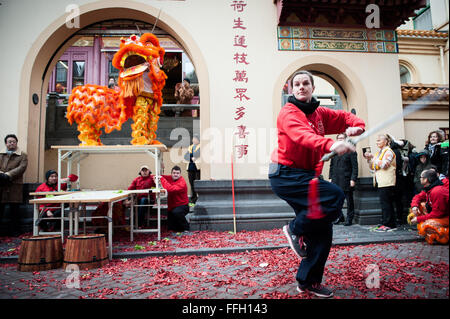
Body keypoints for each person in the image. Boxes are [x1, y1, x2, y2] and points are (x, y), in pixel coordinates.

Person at [269, 70, 365, 298]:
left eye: (306, 83)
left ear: (313, 88)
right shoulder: (288, 112)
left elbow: (344, 118)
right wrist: (331, 145)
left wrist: (356, 126)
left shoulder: (320, 113)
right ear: (292, 90)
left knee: (323, 230)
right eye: (297, 84)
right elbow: (302, 135)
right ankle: (294, 228)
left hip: (308, 177)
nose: (301, 87)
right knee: (334, 195)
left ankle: (307, 281)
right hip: (286, 175)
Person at [363, 134, 397, 232]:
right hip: (381, 181)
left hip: (387, 181)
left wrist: (373, 157)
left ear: (386, 141)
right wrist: (369, 159)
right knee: (384, 203)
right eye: (376, 140)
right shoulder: (379, 152)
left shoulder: (389, 151)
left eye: (379, 140)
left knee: (387, 203)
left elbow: (384, 165)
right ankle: (385, 222)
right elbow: (372, 167)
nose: (377, 142)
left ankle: (389, 224)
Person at [0, 134, 28, 236]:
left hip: (14, 185)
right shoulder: (1, 154)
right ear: (6, 143)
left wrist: (8, 174)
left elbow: (22, 167)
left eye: (13, 141)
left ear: (16, 142)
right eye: (9, 142)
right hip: (1, 184)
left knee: (15, 210)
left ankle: (15, 231)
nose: (12, 143)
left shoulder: (23, 155)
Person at [329, 133, 358, 226]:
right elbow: (331, 166)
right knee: (336, 200)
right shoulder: (334, 152)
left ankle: (349, 218)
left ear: (345, 140)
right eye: (338, 138)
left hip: (346, 180)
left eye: (342, 138)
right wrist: (330, 177)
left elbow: (355, 167)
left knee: (349, 200)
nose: (340, 140)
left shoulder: (351, 151)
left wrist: (353, 179)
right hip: (335, 179)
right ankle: (340, 216)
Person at [156, 165, 190, 232]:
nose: (175, 175)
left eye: (177, 173)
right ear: (171, 174)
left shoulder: (182, 183)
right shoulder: (170, 178)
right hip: (172, 207)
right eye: (174, 173)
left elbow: (170, 189)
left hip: (182, 206)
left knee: (176, 212)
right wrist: (154, 176)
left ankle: (186, 227)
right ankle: (177, 228)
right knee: (171, 227)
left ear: (180, 174)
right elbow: (162, 177)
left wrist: (162, 180)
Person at [184, 134, 201, 204]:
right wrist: (192, 157)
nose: (194, 140)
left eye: (195, 138)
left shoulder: (201, 146)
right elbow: (185, 156)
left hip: (197, 168)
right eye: (193, 138)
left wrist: (191, 155)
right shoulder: (190, 147)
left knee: (197, 184)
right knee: (192, 184)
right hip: (190, 168)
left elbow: (197, 153)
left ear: (198, 140)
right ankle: (193, 199)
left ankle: (199, 198)